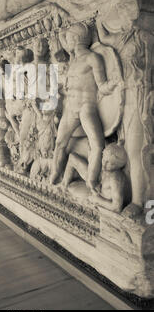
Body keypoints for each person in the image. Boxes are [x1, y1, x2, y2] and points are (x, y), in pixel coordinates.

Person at [49, 22, 115, 190]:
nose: (67, 41)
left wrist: (113, 84)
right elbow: (63, 40)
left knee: (98, 144)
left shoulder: (93, 58)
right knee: (60, 142)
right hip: (71, 108)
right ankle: (55, 174)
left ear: (76, 39)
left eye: (70, 38)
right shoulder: (73, 61)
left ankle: (92, 180)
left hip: (86, 107)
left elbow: (102, 85)